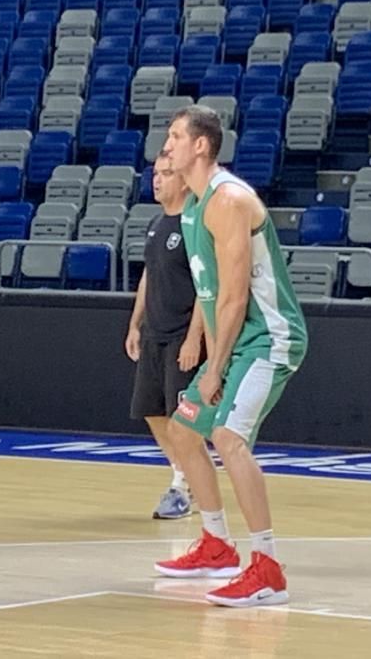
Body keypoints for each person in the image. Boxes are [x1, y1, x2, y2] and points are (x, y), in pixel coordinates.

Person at [154, 105, 309, 608]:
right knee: (182, 430)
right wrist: (201, 343)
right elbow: (209, 290)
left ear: (201, 145)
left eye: (176, 136)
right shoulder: (195, 205)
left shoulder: (230, 200)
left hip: (268, 337)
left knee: (227, 437)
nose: (168, 145)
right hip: (233, 339)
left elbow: (236, 297)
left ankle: (266, 567)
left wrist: (214, 369)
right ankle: (217, 544)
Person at [125, 153, 204, 520]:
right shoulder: (157, 225)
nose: (158, 180)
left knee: (181, 418)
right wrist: (134, 323)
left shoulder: (194, 225)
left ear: (185, 181)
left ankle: (182, 486)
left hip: (181, 335)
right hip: (154, 333)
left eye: (167, 174)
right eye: (155, 174)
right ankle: (187, 477)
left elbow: (207, 287)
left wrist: (193, 339)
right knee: (152, 412)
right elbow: (149, 276)